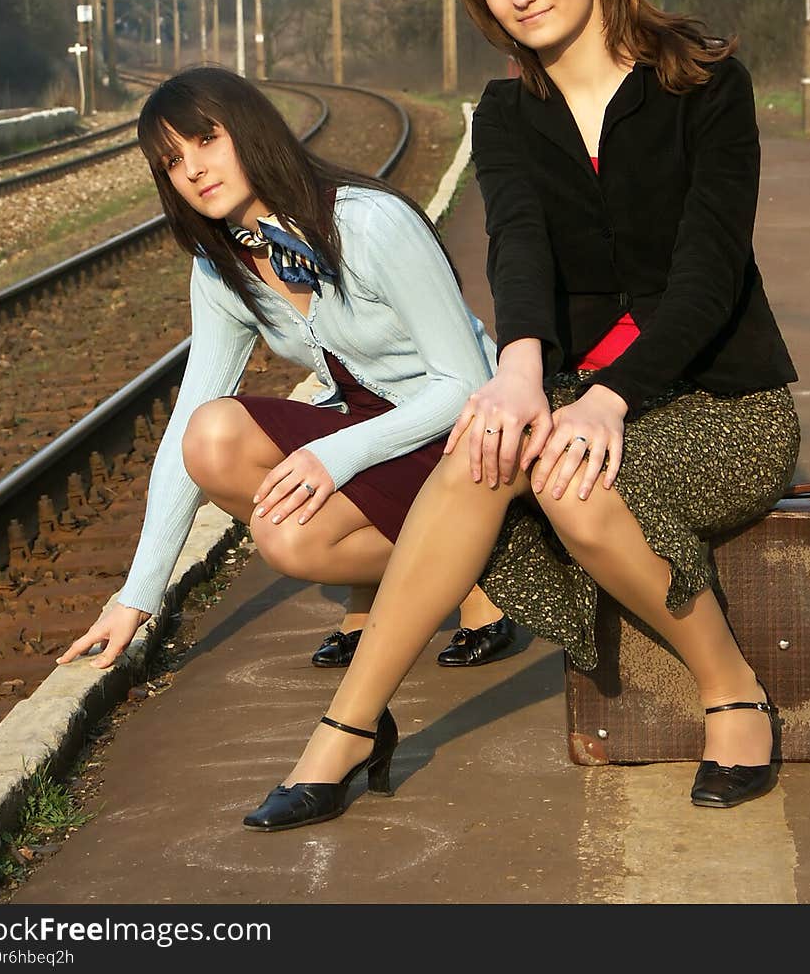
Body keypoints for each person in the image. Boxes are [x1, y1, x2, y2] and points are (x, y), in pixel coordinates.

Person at [242, 0, 800, 832]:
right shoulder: (506, 115)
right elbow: (520, 252)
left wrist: (607, 396)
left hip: (723, 400)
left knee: (566, 481)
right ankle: (346, 729)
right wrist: (518, 371)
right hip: (582, 395)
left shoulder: (703, 84)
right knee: (483, 447)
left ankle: (733, 690)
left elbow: (706, 276)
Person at [56, 66, 512, 675]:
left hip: (460, 432)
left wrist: (334, 456)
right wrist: (136, 597)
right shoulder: (223, 268)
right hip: (369, 421)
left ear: (250, 130)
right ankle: (413, 574)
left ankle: (473, 576)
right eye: (170, 161)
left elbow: (468, 387)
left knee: (290, 538)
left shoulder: (368, 223)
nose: (191, 169)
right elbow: (186, 428)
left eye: (206, 140)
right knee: (210, 437)